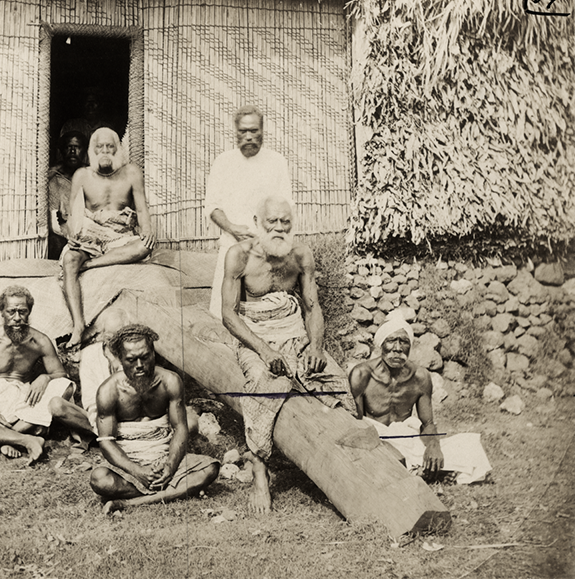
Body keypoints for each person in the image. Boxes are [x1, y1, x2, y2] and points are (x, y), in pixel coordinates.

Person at [221, 196, 355, 513]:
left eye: (286, 222)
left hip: (295, 334)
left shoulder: (300, 255)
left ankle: (350, 450)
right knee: (260, 385)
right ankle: (259, 474)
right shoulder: (238, 256)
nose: (280, 228)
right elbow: (228, 314)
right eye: (273, 222)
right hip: (257, 339)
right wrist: (264, 350)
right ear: (257, 222)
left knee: (334, 380)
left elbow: (312, 307)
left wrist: (317, 346)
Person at [0, 285, 94, 465]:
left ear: (29, 312)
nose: (17, 318)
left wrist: (45, 378)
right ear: (1, 311)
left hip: (25, 400)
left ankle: (5, 437)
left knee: (64, 387)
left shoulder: (40, 341)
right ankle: (26, 438)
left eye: (22, 312)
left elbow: (60, 374)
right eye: (11, 312)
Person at [89, 324, 219, 513]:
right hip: (130, 462)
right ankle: (175, 492)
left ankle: (131, 503)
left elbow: (180, 428)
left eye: (145, 357)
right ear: (120, 360)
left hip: (164, 456)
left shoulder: (170, 381)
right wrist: (136, 471)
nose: (140, 365)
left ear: (154, 353)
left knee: (210, 468)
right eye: (131, 360)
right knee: (99, 479)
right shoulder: (108, 390)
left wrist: (170, 466)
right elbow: (106, 442)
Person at [349, 315, 492, 484]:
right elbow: (356, 425)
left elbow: (427, 423)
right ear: (381, 344)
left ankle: (417, 469)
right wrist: (382, 447)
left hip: (407, 439)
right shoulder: (361, 374)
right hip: (376, 439)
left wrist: (433, 446)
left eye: (403, 342)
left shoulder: (420, 376)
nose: (397, 348)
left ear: (410, 346)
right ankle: (423, 471)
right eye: (391, 341)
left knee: (469, 448)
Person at [62, 127, 156, 348]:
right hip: (90, 236)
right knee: (69, 260)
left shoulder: (132, 172)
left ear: (117, 149)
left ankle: (92, 265)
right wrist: (70, 236)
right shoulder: (82, 175)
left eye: (110, 146)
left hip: (119, 236)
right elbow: (71, 215)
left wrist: (148, 228)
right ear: (92, 151)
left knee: (144, 246)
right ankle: (78, 325)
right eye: (100, 147)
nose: (105, 151)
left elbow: (141, 209)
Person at [205, 105, 292, 319]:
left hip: (267, 247)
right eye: (243, 131)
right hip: (231, 245)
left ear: (263, 131)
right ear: (235, 133)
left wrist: (269, 237)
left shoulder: (277, 162)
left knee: (268, 312)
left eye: (254, 131)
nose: (249, 136)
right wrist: (232, 228)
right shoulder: (223, 162)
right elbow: (212, 207)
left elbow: (286, 206)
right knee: (224, 313)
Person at [47, 131, 88, 259]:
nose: (72, 151)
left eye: (77, 147)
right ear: (61, 151)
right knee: (55, 243)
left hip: (89, 229)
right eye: (68, 147)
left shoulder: (91, 176)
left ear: (85, 151)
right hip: (63, 232)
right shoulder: (54, 179)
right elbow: (54, 223)